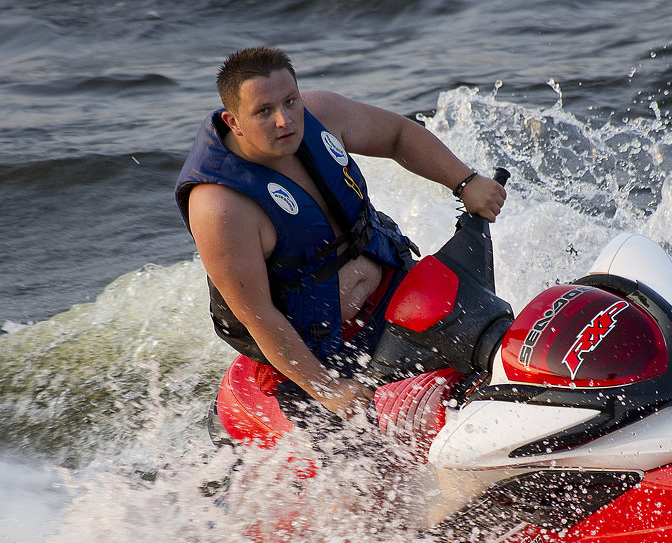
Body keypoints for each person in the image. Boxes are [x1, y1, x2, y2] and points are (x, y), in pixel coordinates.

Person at [175, 47, 506, 426]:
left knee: (492, 348)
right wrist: (327, 388)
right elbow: (257, 315)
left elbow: (397, 136)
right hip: (324, 351)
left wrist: (465, 182)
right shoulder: (220, 208)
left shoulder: (321, 113)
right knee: (369, 476)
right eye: (264, 111)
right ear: (233, 122)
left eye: (290, 101)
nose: (285, 120)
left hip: (394, 291)